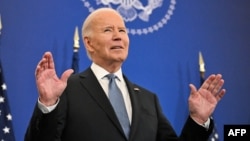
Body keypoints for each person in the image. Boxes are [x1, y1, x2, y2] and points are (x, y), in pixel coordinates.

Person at [25, 7, 226, 141]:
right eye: (108, 30)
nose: (118, 36)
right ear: (88, 43)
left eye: (122, 30)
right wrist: (48, 105)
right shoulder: (68, 90)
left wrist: (198, 121)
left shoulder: (149, 100)